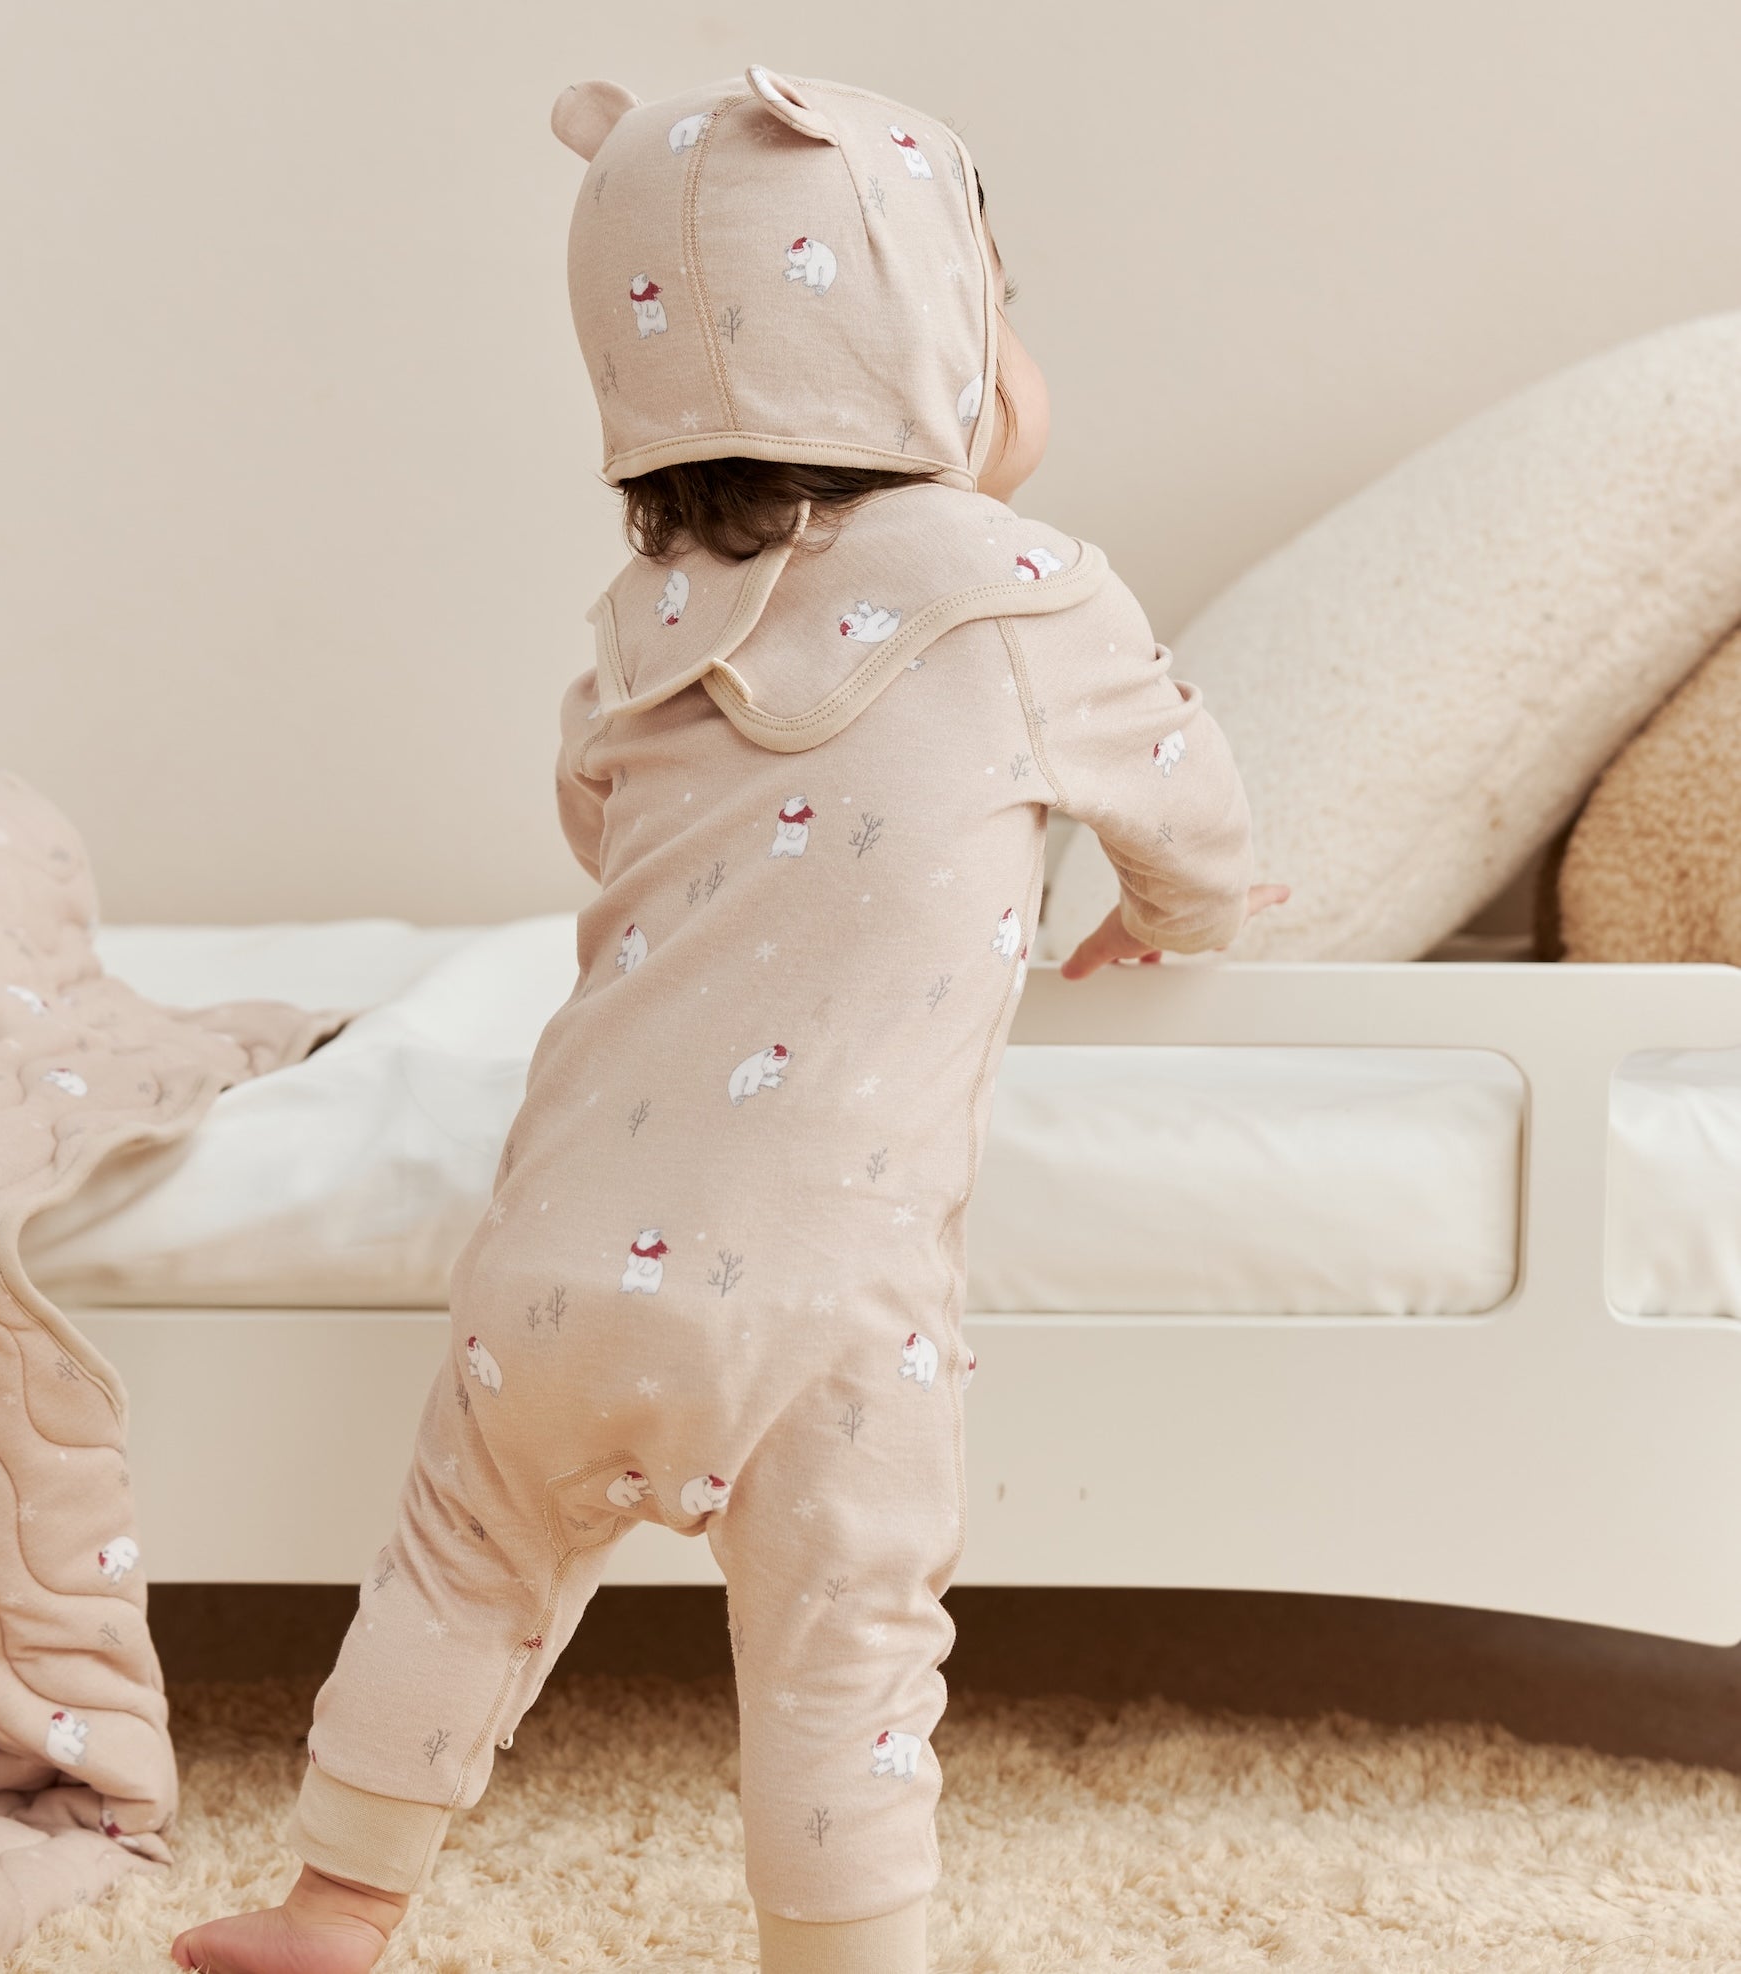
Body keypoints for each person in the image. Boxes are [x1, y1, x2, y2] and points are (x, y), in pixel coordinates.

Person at [174, 62, 1284, 1974]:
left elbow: (596, 821)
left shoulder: (642, 619)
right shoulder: (1031, 595)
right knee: (847, 1637)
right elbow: (1195, 808)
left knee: (463, 1560)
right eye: (992, 307)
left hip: (552, 1259)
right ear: (926, 341)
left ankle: (336, 1901)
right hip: (830, 1295)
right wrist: (1179, 918)